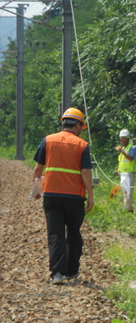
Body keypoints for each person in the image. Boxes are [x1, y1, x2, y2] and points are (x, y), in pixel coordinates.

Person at [32, 107, 94, 285]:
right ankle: (71, 271)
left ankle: (57, 273)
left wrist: (37, 189)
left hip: (52, 196)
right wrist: (90, 195)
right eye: (81, 127)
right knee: (73, 233)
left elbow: (38, 168)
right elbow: (85, 172)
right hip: (74, 197)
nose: (81, 131)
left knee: (55, 234)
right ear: (76, 125)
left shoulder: (48, 140)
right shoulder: (82, 145)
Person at [115, 129, 136, 212]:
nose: (122, 140)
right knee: (124, 191)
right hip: (123, 173)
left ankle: (129, 209)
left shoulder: (132, 148)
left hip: (129, 173)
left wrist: (122, 151)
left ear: (128, 138)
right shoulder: (123, 149)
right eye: (121, 138)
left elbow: (131, 158)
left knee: (129, 192)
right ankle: (126, 207)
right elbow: (122, 162)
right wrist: (118, 170)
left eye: (124, 138)